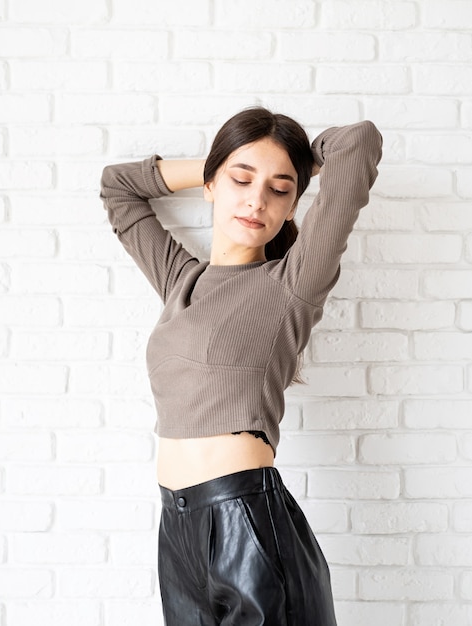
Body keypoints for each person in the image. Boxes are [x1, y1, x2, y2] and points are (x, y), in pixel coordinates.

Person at [100, 107, 382, 625]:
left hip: (247, 522)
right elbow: (118, 187)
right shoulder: (179, 280)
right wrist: (215, 161)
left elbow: (359, 142)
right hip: (176, 531)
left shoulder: (290, 285)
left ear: (293, 205)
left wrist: (300, 159)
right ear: (212, 184)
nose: (257, 200)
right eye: (241, 178)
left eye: (280, 188)